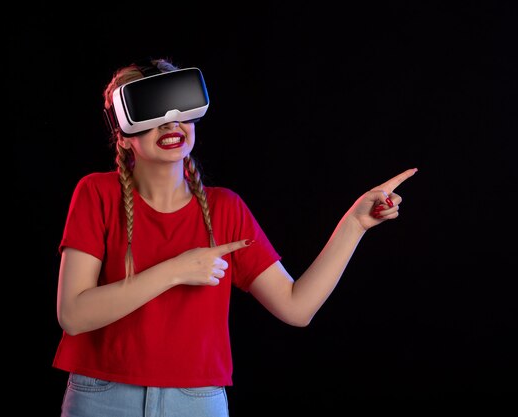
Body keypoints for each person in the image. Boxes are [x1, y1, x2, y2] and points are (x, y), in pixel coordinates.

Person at [53, 57, 418, 417]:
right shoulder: (96, 194)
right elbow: (73, 314)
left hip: (195, 402)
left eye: (180, 110)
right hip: (102, 396)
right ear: (123, 134)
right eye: (152, 113)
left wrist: (354, 224)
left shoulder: (225, 209)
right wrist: (176, 270)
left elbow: (296, 307)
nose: (171, 124)